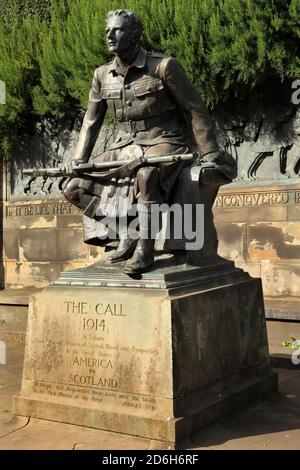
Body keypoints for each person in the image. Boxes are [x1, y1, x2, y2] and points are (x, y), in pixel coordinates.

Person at [63, 9, 226, 274]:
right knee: (74, 187)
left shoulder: (163, 66)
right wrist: (79, 159)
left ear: (135, 34)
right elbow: (90, 122)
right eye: (108, 30)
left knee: (147, 174)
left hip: (164, 141)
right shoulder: (101, 75)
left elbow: (194, 108)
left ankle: (145, 250)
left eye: (117, 30)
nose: (109, 34)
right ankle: (127, 230)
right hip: (123, 146)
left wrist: (209, 152)